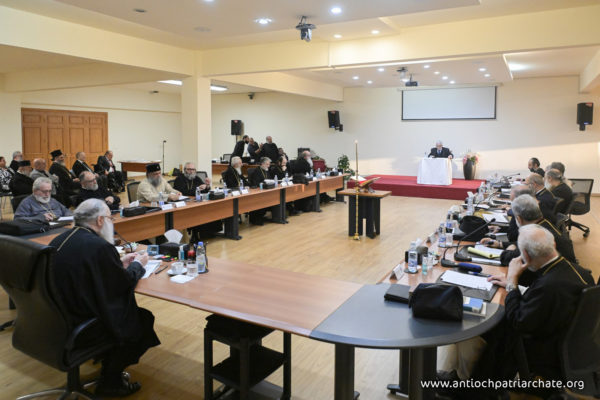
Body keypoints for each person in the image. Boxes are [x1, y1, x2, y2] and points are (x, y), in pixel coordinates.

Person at [440, 225, 594, 388]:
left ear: (525, 255)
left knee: (472, 325)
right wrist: (516, 286)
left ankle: (467, 384)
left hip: (542, 349)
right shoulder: (579, 272)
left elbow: (517, 321)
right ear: (553, 244)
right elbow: (545, 300)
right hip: (574, 346)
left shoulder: (548, 286)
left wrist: (512, 282)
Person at [50, 199, 160, 397]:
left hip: (58, 317)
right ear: (100, 220)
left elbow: (88, 269)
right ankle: (111, 381)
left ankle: (106, 360)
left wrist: (117, 262)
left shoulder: (59, 239)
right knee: (142, 321)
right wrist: (138, 265)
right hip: (83, 323)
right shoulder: (99, 246)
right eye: (110, 218)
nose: (112, 222)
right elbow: (123, 283)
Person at [481, 194, 576, 266]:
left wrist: (508, 250)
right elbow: (521, 246)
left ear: (518, 219)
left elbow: (507, 259)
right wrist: (500, 244)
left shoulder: (535, 234)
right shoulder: (542, 223)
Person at [173, 162, 221, 238]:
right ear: (185, 170)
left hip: (195, 202)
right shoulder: (179, 179)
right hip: (184, 204)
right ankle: (196, 235)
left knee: (211, 209)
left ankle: (208, 233)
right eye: (189, 169)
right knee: (198, 212)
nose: (191, 171)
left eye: (193, 169)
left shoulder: (196, 178)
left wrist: (207, 186)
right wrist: (198, 189)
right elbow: (183, 192)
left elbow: (204, 190)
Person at [248, 157, 273, 225]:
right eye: (267, 164)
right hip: (258, 191)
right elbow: (255, 183)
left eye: (269, 164)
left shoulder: (266, 170)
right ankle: (256, 218)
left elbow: (270, 179)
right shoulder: (257, 171)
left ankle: (262, 216)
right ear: (262, 164)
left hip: (266, 191)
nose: (268, 166)